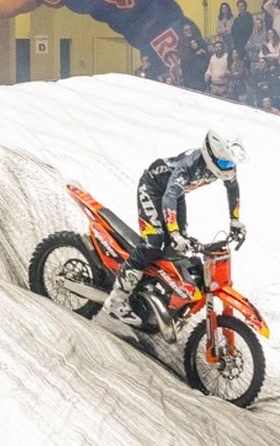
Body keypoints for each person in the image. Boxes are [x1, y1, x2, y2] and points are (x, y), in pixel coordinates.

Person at [103, 129, 246, 326]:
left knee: (179, 246)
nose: (229, 167)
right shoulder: (189, 166)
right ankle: (116, 299)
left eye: (231, 163)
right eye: (224, 163)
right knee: (153, 242)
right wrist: (174, 232)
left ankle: (151, 291)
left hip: (176, 194)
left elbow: (233, 188)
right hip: (154, 188)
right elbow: (168, 196)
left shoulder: (225, 164)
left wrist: (235, 220)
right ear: (211, 156)